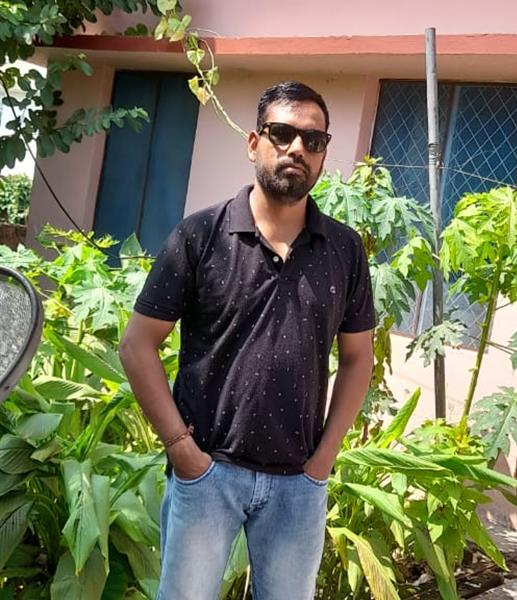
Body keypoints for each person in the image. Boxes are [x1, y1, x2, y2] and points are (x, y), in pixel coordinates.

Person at [119, 81, 375, 600]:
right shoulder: (200, 236)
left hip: (298, 485)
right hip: (207, 475)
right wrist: (182, 451)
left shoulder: (344, 250)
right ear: (254, 142)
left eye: (313, 140)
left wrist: (323, 461)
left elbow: (357, 358)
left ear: (323, 154)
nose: (297, 148)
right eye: (282, 134)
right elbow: (137, 345)